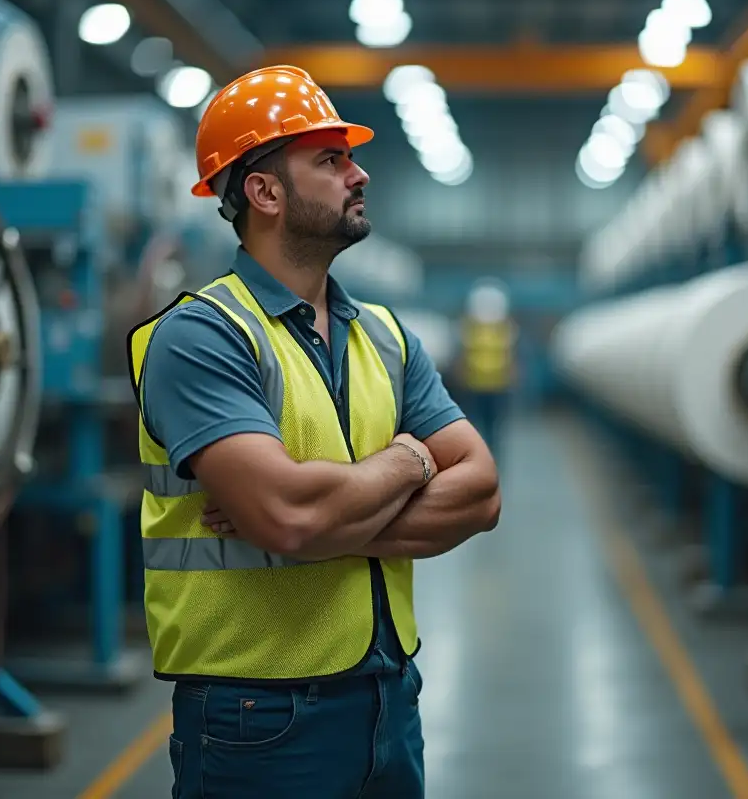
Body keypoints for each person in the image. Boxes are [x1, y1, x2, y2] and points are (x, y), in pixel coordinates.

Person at [126, 65, 501, 799]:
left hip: (390, 698)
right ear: (264, 192)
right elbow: (290, 515)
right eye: (330, 160)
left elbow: (482, 493)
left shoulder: (385, 337)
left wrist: (326, 526)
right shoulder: (201, 336)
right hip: (258, 718)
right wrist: (410, 457)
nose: (358, 175)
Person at [456, 278, 517, 463]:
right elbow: (463, 353)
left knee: (492, 427)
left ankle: (489, 459)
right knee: (478, 425)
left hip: (496, 385)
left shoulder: (504, 327)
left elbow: (512, 353)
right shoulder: (469, 326)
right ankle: (478, 458)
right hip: (478, 384)